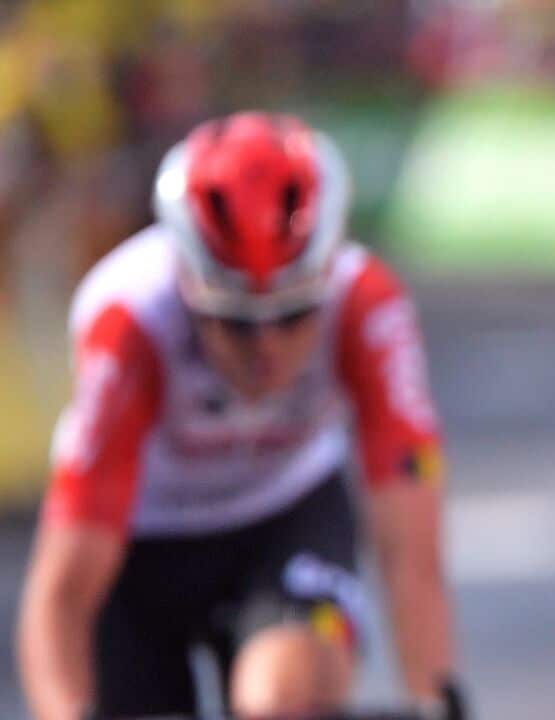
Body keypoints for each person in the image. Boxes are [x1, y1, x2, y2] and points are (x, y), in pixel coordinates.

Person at [16, 112, 463, 720]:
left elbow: (411, 550)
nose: (267, 348)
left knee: (280, 698)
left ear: (327, 274)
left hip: (285, 513)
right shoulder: (129, 321)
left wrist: (436, 699)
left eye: (294, 314)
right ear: (186, 284)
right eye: (235, 321)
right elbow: (61, 592)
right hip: (140, 542)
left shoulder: (369, 307)